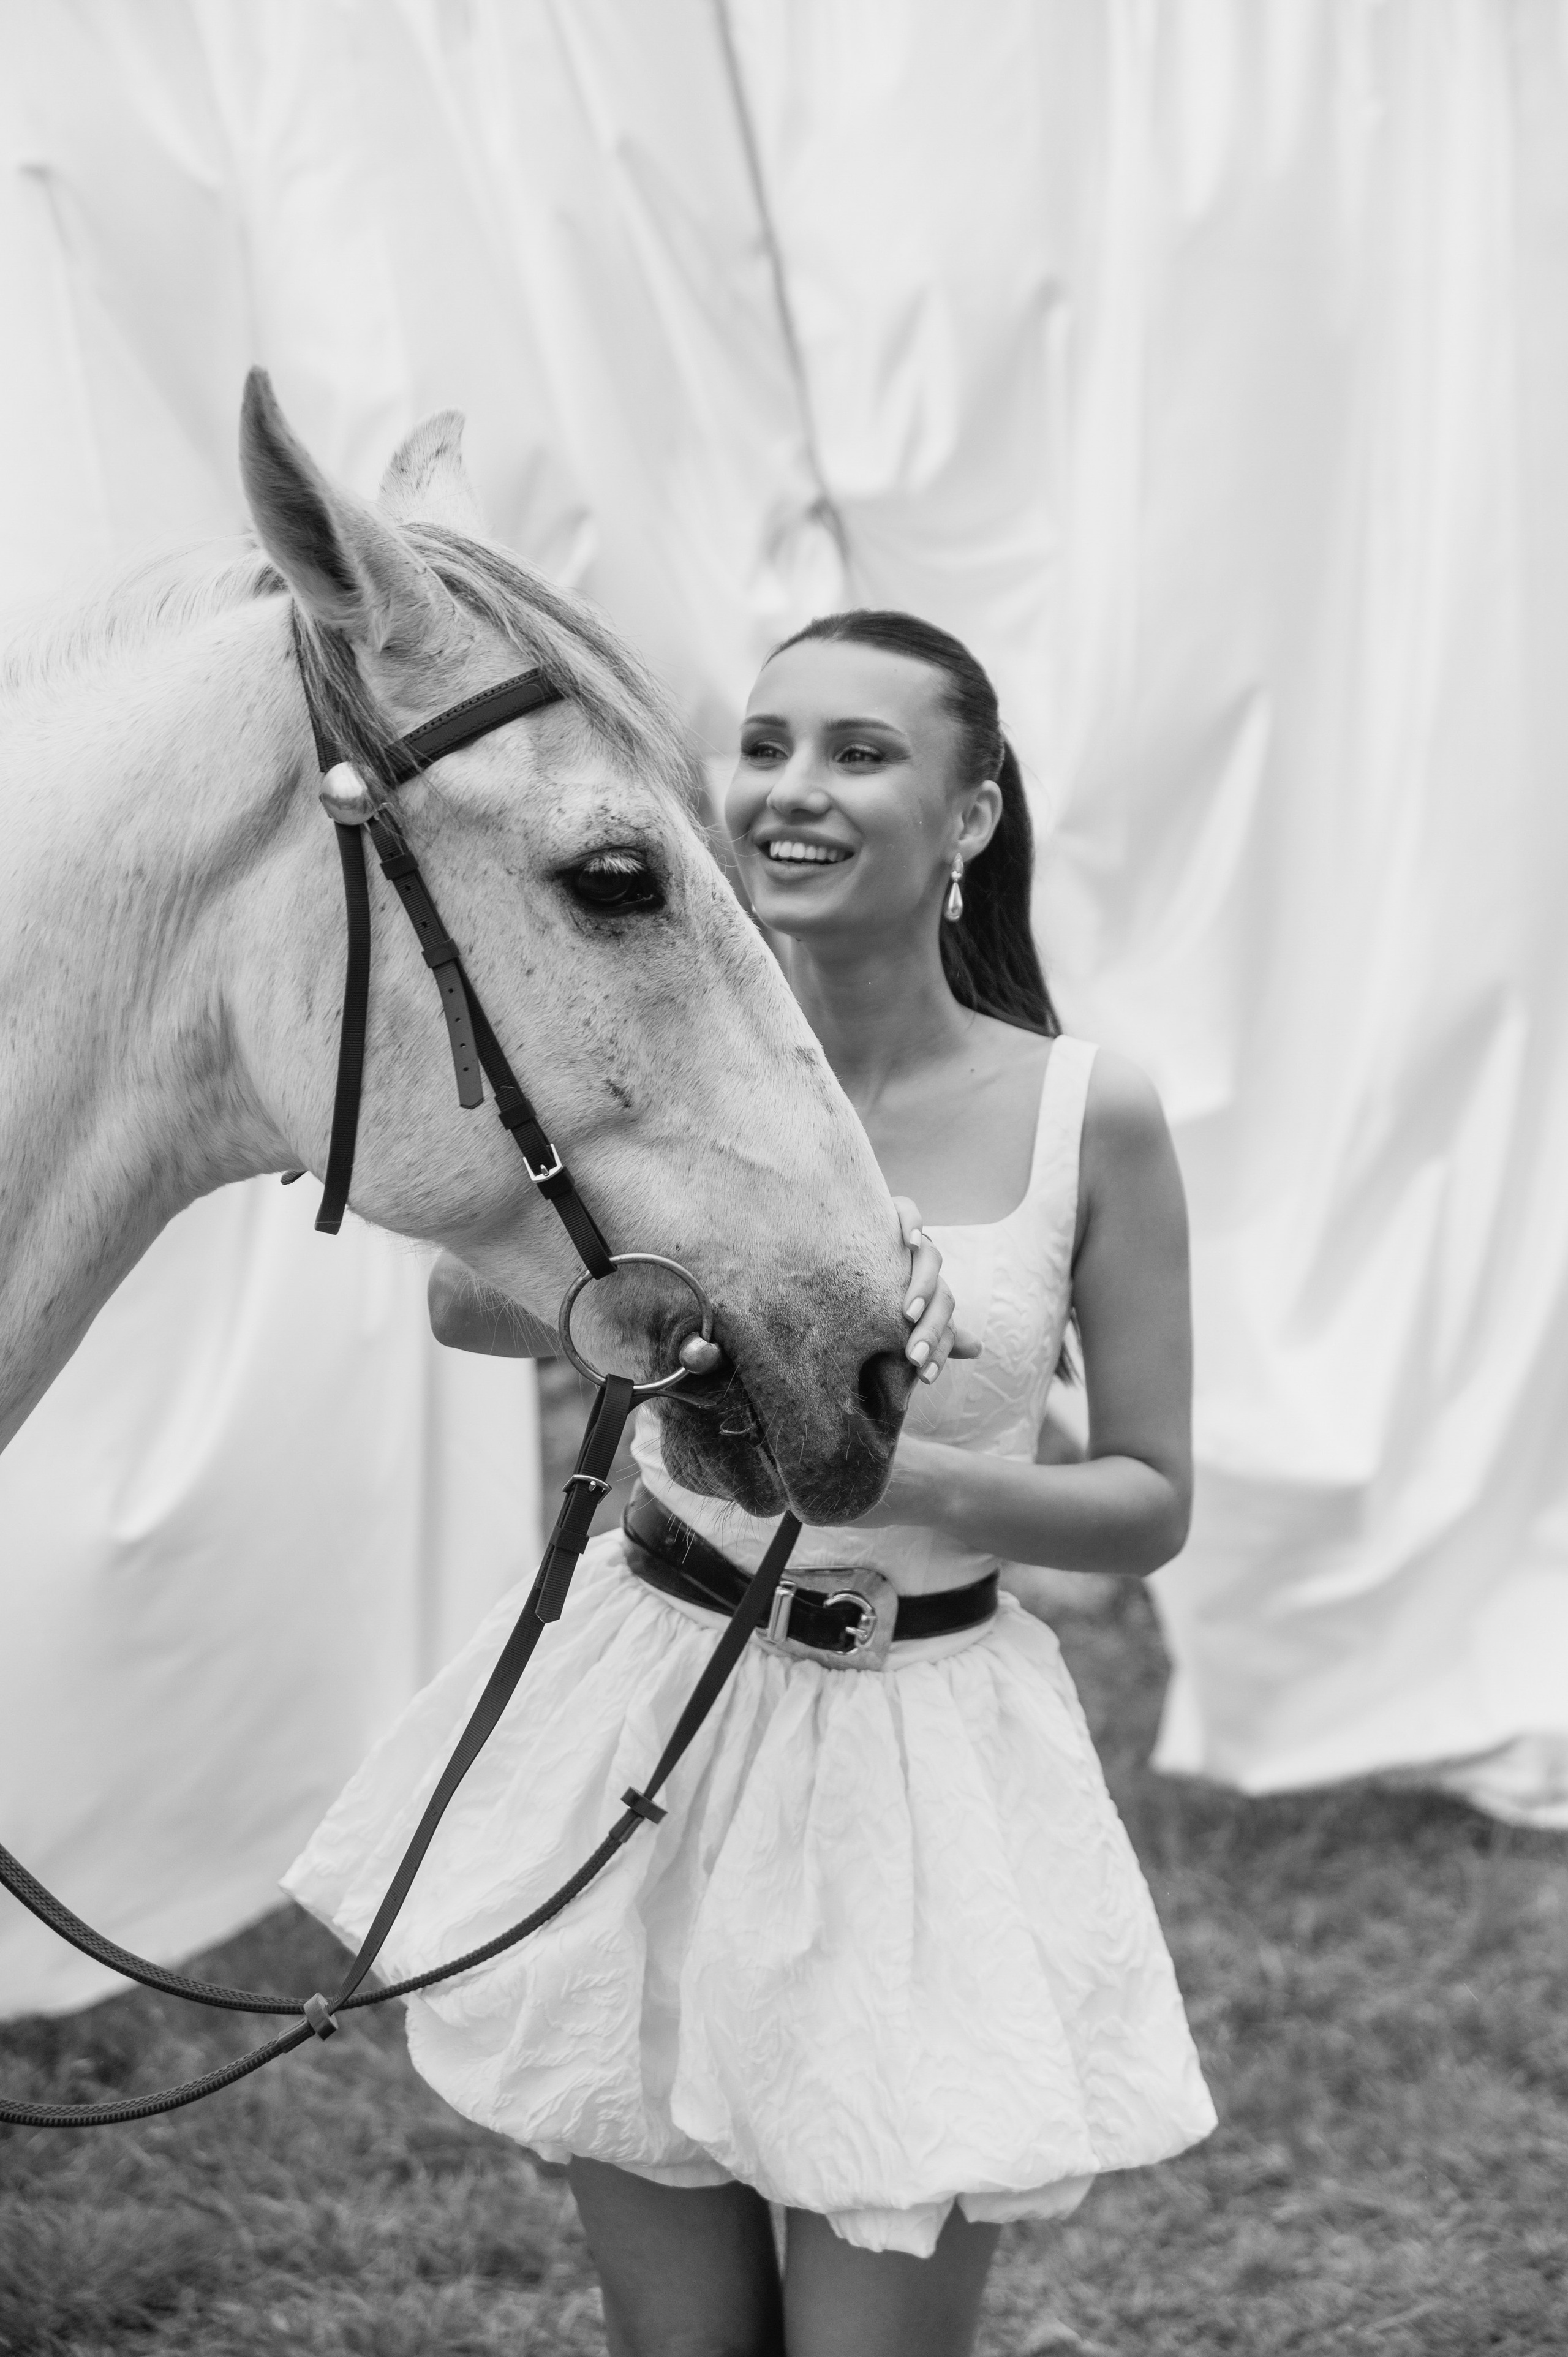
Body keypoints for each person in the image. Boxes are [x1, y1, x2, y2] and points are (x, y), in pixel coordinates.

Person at [285, 610, 1215, 2357]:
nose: (793, 788)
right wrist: (685, 1323)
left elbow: (1151, 1502)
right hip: (656, 1710)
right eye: (770, 742)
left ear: (972, 819)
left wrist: (885, 1460)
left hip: (920, 1751)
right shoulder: (655, 1048)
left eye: (862, 754)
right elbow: (463, 1296)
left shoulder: (1092, 1112)